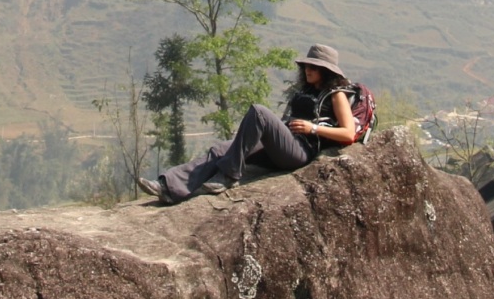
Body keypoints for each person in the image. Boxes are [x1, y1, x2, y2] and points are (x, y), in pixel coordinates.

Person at [138, 44, 362, 203]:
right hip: (284, 143)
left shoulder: (336, 95)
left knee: (259, 112)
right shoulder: (307, 90)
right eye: (306, 66)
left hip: (301, 150)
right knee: (221, 149)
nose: (308, 70)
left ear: (326, 71)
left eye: (314, 67)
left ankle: (229, 175)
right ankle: (169, 187)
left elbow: (348, 134)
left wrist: (312, 128)